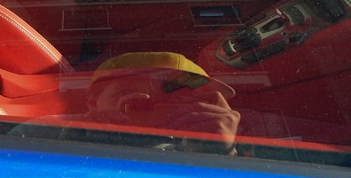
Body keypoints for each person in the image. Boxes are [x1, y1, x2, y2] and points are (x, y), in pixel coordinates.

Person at [17, 52, 240, 155]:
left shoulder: (200, 138)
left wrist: (222, 149)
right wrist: (81, 138)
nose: (144, 104)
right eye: (126, 94)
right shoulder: (50, 130)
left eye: (169, 96)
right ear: (92, 103)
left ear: (201, 105)